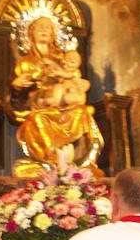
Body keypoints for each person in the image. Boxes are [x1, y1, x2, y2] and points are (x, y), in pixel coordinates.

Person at [10, 16, 103, 169]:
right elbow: (17, 97)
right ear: (31, 34)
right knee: (39, 119)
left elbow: (76, 78)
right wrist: (17, 86)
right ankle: (50, 159)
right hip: (40, 104)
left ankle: (83, 162)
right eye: (39, 27)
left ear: (54, 34)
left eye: (47, 27)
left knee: (82, 112)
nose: (44, 30)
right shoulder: (25, 62)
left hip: (64, 102)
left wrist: (78, 83)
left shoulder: (64, 58)